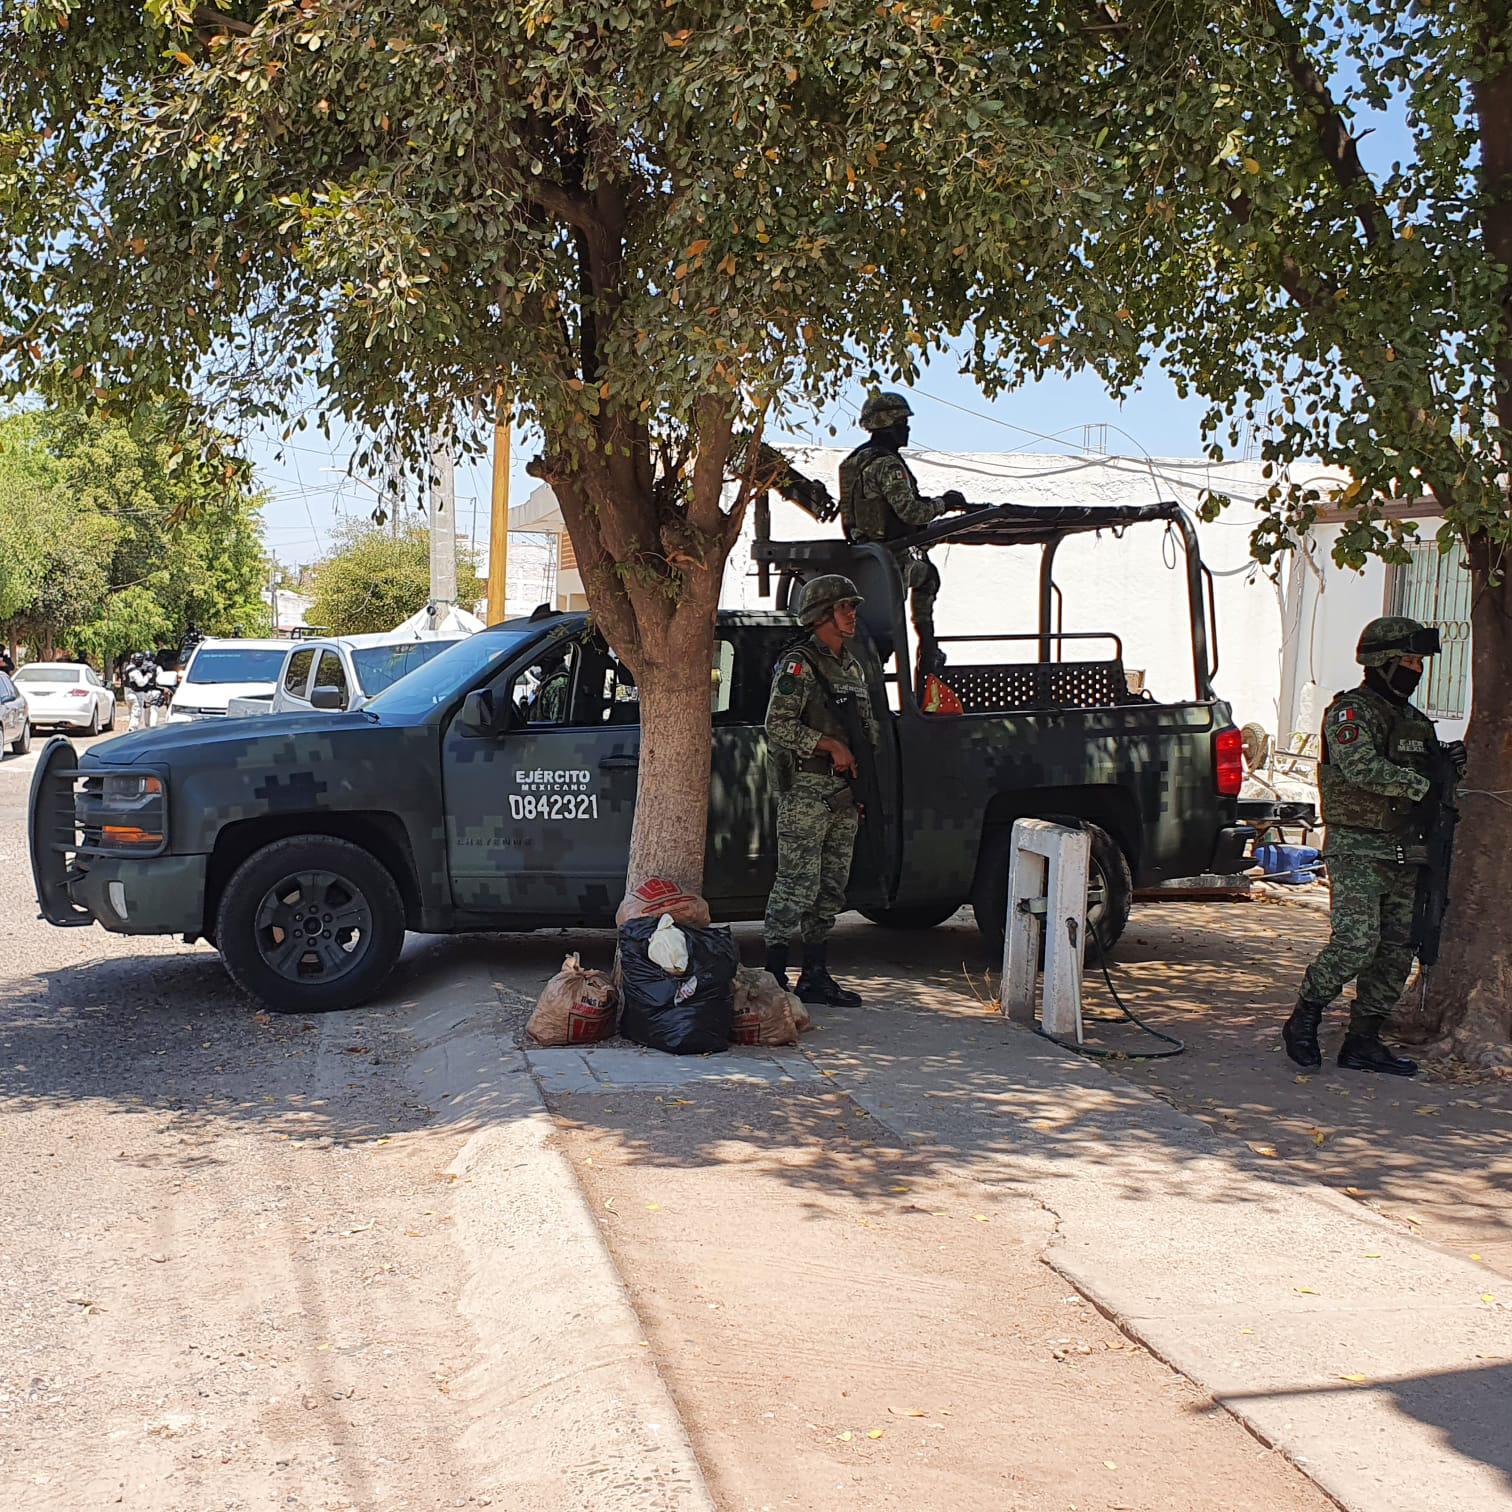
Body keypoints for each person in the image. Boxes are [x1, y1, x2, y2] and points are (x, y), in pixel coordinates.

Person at [1282, 616, 1466, 1077]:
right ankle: (1305, 1017)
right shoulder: (1351, 712)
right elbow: (1362, 768)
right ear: (1381, 663)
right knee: (1356, 943)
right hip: (1358, 849)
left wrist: (1447, 766)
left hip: (1407, 850)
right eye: (1408, 660)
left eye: (1420, 662)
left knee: (1396, 951)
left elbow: (1431, 783)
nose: (1417, 670)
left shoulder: (1415, 722)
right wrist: (1421, 782)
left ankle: (1363, 1042)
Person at [762, 575, 880, 1008]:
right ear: (822, 613)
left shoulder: (851, 666)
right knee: (795, 886)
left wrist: (863, 785)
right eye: (845, 607)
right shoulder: (799, 664)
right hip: (807, 793)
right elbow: (777, 726)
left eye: (853, 607)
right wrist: (828, 745)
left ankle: (815, 974)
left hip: (844, 794)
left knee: (831, 887)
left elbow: (866, 731)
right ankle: (773, 977)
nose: (852, 615)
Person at [838, 391, 968, 684]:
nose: (907, 429)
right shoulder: (888, 464)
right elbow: (910, 512)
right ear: (889, 424)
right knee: (927, 577)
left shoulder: (853, 461)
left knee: (879, 632)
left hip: (864, 554)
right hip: (890, 557)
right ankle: (928, 650)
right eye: (902, 422)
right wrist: (944, 504)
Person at [125, 651, 156, 732]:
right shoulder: (134, 670)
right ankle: (132, 732)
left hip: (128, 694)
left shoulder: (128, 668)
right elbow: (141, 683)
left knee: (131, 715)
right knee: (136, 715)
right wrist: (148, 676)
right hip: (134, 695)